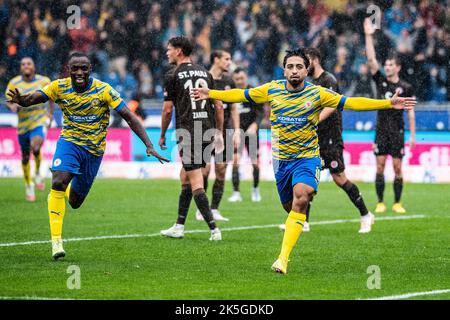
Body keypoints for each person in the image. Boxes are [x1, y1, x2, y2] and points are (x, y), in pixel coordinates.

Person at [192, 48, 416, 274]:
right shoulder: (272, 89)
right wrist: (210, 93)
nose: (294, 70)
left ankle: (282, 259)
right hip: (281, 162)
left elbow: (352, 102)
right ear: (284, 70)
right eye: (290, 66)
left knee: (302, 195)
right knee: (290, 207)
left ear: (307, 70)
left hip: (307, 158)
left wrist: (387, 104)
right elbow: (240, 95)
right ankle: (296, 226)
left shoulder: (317, 93)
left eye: (299, 66)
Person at [8, 52, 169, 260]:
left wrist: (148, 145)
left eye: (84, 68)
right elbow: (36, 97)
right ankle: (56, 242)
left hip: (93, 151)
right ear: (69, 69)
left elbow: (129, 116)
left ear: (90, 69)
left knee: (74, 201)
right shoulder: (59, 86)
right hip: (70, 143)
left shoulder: (104, 90)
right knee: (58, 181)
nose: (80, 72)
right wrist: (23, 100)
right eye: (75, 68)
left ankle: (68, 191)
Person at [282, 48, 374, 233]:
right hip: (315, 138)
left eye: (305, 62)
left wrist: (312, 119)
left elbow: (332, 105)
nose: (302, 67)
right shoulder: (310, 83)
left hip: (330, 137)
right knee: (307, 179)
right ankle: (304, 221)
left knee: (339, 178)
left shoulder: (328, 80)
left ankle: (365, 214)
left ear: (314, 60)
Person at [159, 36, 224, 241]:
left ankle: (214, 230)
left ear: (179, 51)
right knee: (185, 177)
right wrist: (218, 131)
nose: (167, 53)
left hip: (187, 132)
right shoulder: (205, 72)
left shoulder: (172, 75)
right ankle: (179, 226)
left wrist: (162, 134)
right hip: (206, 130)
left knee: (196, 181)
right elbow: (219, 106)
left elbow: (168, 110)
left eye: (169, 49)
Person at [364, 18, 416, 214]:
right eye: (386, 64)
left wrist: (412, 136)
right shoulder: (381, 82)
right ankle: (379, 201)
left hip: (398, 131)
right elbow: (370, 60)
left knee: (396, 167)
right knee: (379, 166)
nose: (387, 67)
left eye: (391, 65)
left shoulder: (407, 87)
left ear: (398, 67)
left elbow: (410, 112)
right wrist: (368, 35)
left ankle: (397, 202)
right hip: (381, 130)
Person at [195, 49, 240, 222]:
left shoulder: (229, 81)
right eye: (226, 59)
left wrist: (236, 131)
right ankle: (202, 209)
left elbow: (234, 108)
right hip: (206, 129)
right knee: (204, 171)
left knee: (221, 170)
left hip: (225, 131)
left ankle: (214, 209)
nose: (229, 62)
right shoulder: (203, 78)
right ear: (216, 59)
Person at [5, 57, 54, 201]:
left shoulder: (44, 81)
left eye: (28, 64)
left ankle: (38, 173)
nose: (26, 66)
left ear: (34, 67)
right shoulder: (14, 83)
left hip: (38, 120)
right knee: (25, 156)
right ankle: (29, 184)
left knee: (36, 145)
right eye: (23, 64)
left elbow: (52, 96)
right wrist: (13, 106)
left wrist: (50, 114)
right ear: (20, 68)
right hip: (23, 125)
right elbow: (9, 100)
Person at [228, 67, 263, 203]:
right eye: (236, 79)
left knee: (255, 163)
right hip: (236, 132)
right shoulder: (231, 93)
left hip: (252, 132)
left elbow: (260, 113)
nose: (239, 81)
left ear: (246, 78)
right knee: (235, 161)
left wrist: (255, 125)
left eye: (241, 78)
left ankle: (255, 189)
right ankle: (236, 192)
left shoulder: (253, 93)